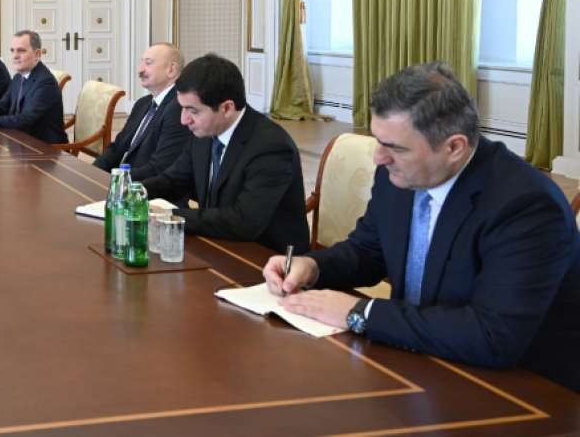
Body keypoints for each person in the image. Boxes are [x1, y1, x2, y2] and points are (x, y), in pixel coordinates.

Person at [266, 62, 580, 391]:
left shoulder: (526, 206)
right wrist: (312, 266)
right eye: (378, 141)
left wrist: (360, 312)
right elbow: (369, 250)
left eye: (394, 147)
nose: (378, 158)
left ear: (454, 147)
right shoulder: (399, 174)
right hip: (417, 362)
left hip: (520, 388)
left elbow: (493, 336)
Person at [142, 53, 309, 252]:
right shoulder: (205, 131)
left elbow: (244, 221)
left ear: (227, 108)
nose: (184, 120)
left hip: (265, 258)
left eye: (193, 111)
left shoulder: (271, 147)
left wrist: (168, 216)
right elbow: (175, 180)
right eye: (182, 109)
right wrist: (134, 192)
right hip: (218, 243)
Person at [94, 43, 191, 183]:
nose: (140, 70)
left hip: (147, 190)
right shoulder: (143, 103)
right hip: (125, 181)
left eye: (148, 63)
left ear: (171, 70)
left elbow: (160, 167)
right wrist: (94, 171)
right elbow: (117, 147)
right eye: (142, 63)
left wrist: (116, 181)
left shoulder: (179, 108)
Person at [0, 30, 66, 145]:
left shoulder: (45, 83)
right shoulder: (18, 77)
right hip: (20, 142)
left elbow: (24, 120)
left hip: (45, 149)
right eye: (12, 51)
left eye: (21, 51)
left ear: (37, 54)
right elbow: (1, 107)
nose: (15, 56)